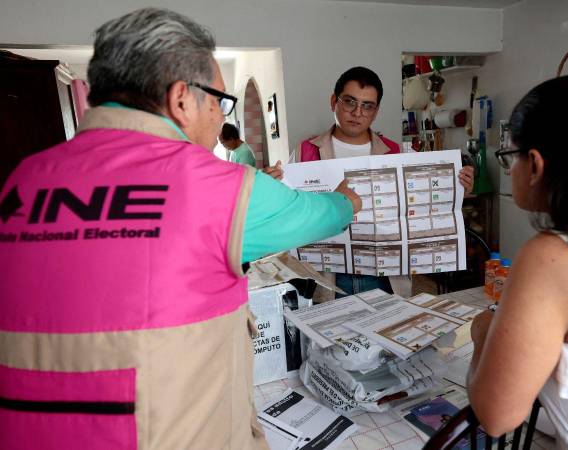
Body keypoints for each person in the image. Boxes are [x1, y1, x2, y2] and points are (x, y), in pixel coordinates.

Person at [0, 8, 362, 450]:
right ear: (181, 99)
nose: (218, 119)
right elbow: (320, 215)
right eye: (218, 102)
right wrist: (350, 200)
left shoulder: (22, 180)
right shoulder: (213, 185)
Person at [467, 75, 568, 450]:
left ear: (536, 164)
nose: (510, 170)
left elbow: (497, 416)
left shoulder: (552, 258)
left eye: (510, 157)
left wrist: (483, 333)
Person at [265, 66, 474, 298]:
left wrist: (456, 189)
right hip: (331, 274)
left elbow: (417, 207)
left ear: (375, 112)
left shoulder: (394, 153)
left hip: (385, 274)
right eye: (349, 102)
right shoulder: (306, 151)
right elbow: (290, 207)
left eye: (367, 106)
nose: (357, 112)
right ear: (334, 101)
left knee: (388, 329)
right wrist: (270, 187)